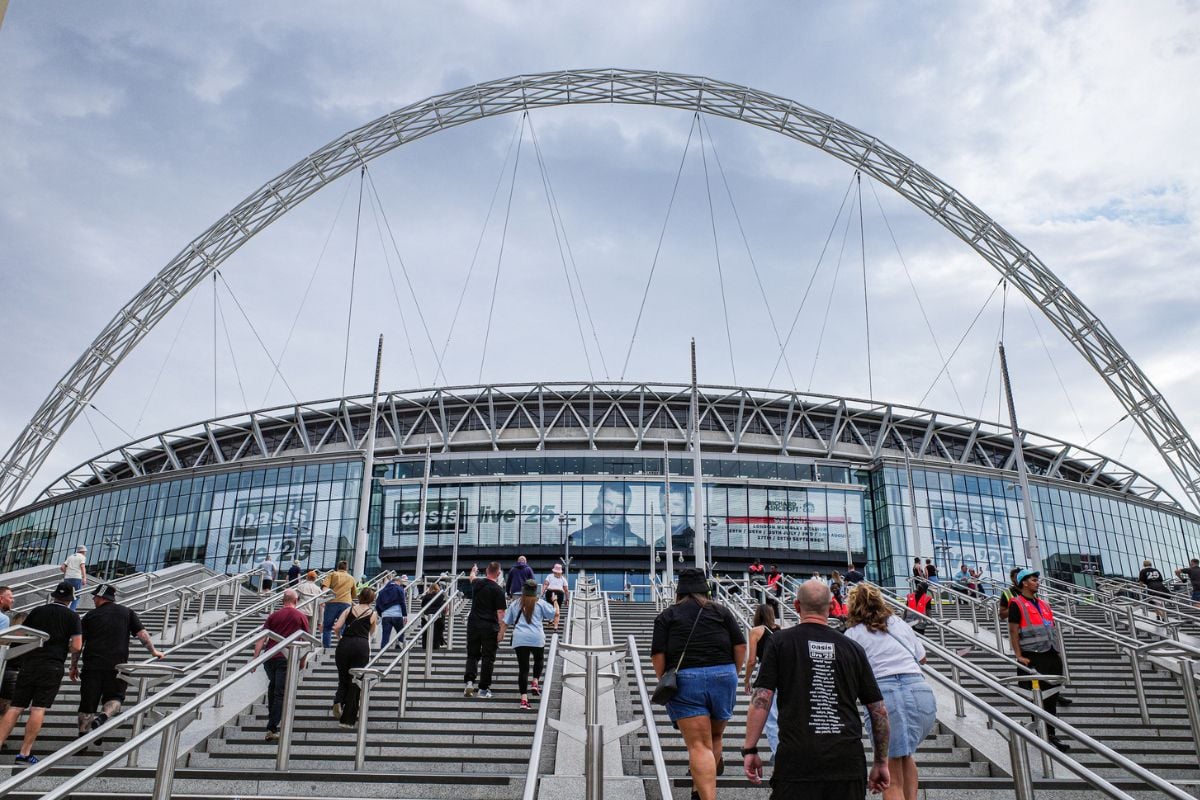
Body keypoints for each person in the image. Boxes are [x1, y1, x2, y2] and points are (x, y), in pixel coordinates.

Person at [742, 578, 890, 799]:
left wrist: (750, 748)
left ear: (796, 606)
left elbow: (762, 699)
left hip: (797, 762)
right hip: (846, 763)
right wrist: (880, 761)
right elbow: (878, 710)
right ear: (831, 607)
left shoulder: (780, 642)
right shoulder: (853, 648)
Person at [651, 568, 745, 800]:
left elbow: (658, 654)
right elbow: (740, 646)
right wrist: (733, 672)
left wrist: (665, 678)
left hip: (686, 679)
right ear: (706, 588)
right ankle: (697, 791)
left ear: (679, 591)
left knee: (698, 745)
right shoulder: (722, 612)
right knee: (714, 737)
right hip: (724, 675)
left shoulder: (667, 615)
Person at [845, 583, 937, 800]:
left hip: (886, 695)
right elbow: (922, 657)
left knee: (891, 774)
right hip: (920, 692)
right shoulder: (899, 624)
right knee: (904, 756)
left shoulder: (852, 634)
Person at [0, 582, 82, 764]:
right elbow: (77, 645)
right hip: (52, 665)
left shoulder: (38, 611)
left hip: (29, 663)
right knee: (38, 708)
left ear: (54, 596)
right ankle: (24, 753)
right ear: (69, 600)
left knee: (15, 707)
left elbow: (20, 635)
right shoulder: (72, 616)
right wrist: (60, 647)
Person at [71, 584, 164, 741]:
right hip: (117, 666)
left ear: (102, 597)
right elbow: (142, 634)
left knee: (87, 703)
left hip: (92, 666)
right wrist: (154, 651)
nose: (93, 599)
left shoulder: (89, 616)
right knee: (115, 698)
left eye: (95, 596)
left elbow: (78, 644)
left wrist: (74, 665)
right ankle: (102, 717)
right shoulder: (126, 613)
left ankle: (82, 737)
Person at [1008, 568, 1072, 751]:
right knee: (1039, 697)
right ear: (1024, 583)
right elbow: (1013, 631)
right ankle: (1044, 732)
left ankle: (1048, 732)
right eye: (1034, 580)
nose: (1037, 582)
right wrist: (1018, 655)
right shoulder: (1017, 604)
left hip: (1051, 654)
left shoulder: (1044, 604)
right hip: (1033, 656)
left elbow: (1050, 628)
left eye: (1037, 580)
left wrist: (1058, 653)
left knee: (1052, 697)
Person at [251, 588, 310, 740]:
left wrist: (255, 659)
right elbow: (306, 640)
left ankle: (272, 720)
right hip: (287, 657)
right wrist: (302, 660)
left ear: (283, 600)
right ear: (296, 601)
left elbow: (262, 638)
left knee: (273, 687)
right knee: (280, 692)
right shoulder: (300, 616)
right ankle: (272, 727)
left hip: (270, 657)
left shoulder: (274, 616)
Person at [503, 579, 559, 710]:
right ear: (535, 591)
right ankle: (535, 681)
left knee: (523, 669)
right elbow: (555, 613)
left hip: (520, 638)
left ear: (523, 590)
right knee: (539, 659)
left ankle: (524, 699)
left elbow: (506, 621)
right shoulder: (540, 603)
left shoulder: (515, 603)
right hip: (536, 637)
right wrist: (555, 600)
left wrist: (500, 635)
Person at [331, 586, 378, 728]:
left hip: (345, 644)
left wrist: (340, 638)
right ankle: (347, 720)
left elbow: (336, 627)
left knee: (343, 676)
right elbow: (372, 633)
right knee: (356, 680)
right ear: (372, 599)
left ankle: (338, 700)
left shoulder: (348, 609)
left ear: (359, 596)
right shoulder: (372, 613)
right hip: (361, 646)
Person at [463, 562, 507, 699]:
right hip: (490, 627)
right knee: (488, 658)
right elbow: (501, 612)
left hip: (474, 624)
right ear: (498, 574)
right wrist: (501, 631)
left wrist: (474, 570)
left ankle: (469, 682)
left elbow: (471, 577)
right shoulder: (498, 590)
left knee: (472, 654)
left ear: (487, 571)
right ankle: (483, 689)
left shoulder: (477, 583)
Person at [568, 482, 645, 547]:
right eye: (608, 503)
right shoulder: (577, 538)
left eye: (620, 507)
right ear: (599, 502)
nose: (612, 513)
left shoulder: (639, 544)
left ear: (627, 510)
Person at [321, 561, 357, 648]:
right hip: (346, 603)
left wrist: (323, 599)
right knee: (343, 627)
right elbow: (354, 594)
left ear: (338, 567)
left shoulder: (332, 574)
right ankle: (343, 647)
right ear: (346, 569)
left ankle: (326, 647)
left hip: (332, 602)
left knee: (327, 627)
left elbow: (325, 587)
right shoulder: (351, 578)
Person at [656, 484, 695, 551]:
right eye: (664, 505)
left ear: (689, 509)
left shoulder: (699, 545)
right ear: (660, 508)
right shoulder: (657, 545)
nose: (670, 511)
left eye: (676, 504)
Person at [376, 575, 409, 648]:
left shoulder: (382, 591)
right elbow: (402, 603)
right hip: (397, 615)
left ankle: (382, 652)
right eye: (400, 583)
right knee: (400, 633)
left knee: (385, 636)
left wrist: (381, 613)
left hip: (386, 616)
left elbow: (377, 603)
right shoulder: (400, 589)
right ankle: (399, 648)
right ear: (397, 581)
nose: (400, 584)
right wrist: (405, 615)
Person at [61, 546, 88, 612]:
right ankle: (72, 611)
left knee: (67, 594)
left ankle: (63, 609)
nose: (85, 553)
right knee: (76, 595)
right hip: (76, 578)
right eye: (85, 552)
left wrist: (67, 573)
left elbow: (62, 567)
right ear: (83, 551)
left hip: (67, 578)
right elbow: (82, 567)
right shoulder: (82, 557)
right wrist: (84, 577)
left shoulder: (70, 556)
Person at [420, 581, 447, 649]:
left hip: (426, 615)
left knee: (425, 632)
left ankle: (425, 646)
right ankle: (435, 646)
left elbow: (422, 605)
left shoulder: (426, 596)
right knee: (437, 632)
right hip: (437, 615)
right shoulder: (441, 596)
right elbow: (442, 605)